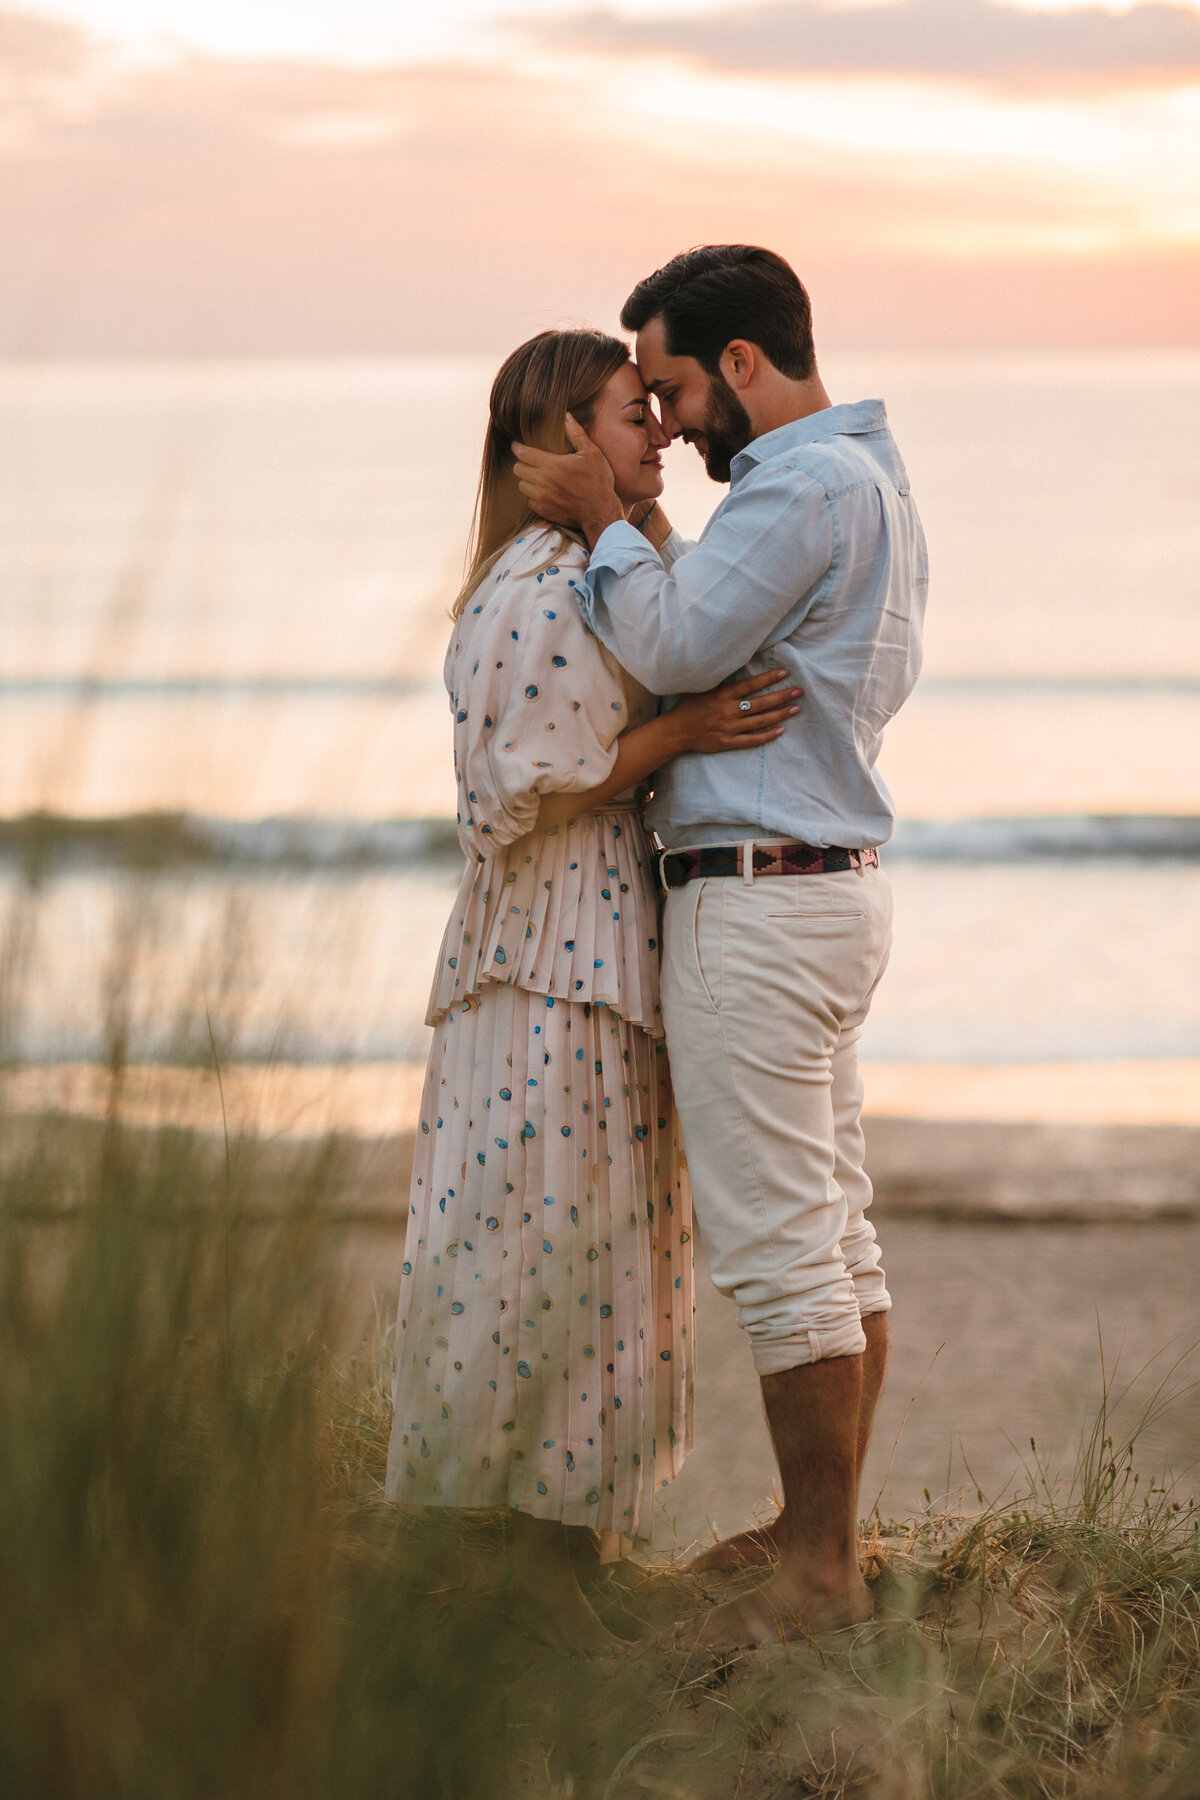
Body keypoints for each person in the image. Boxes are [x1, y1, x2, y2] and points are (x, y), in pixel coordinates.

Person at [511, 247, 928, 1648]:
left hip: (759, 902)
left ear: (744, 362)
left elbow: (684, 646)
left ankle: (817, 1562)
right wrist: (655, 547)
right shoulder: (869, 483)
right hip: (825, 886)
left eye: (679, 385)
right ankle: (827, 1534)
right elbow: (722, 621)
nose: (672, 422)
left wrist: (603, 523)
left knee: (782, 1249)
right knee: (836, 1234)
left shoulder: (799, 486)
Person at [384, 327, 802, 1653]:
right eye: (635, 417)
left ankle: (568, 1547)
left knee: (598, 1246)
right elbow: (528, 787)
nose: (664, 434)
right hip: (550, 962)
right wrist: (680, 737)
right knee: (540, 1245)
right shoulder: (536, 586)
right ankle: (522, 1562)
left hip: (595, 951)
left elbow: (680, 641)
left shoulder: (600, 568)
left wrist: (650, 536)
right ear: (565, 438)